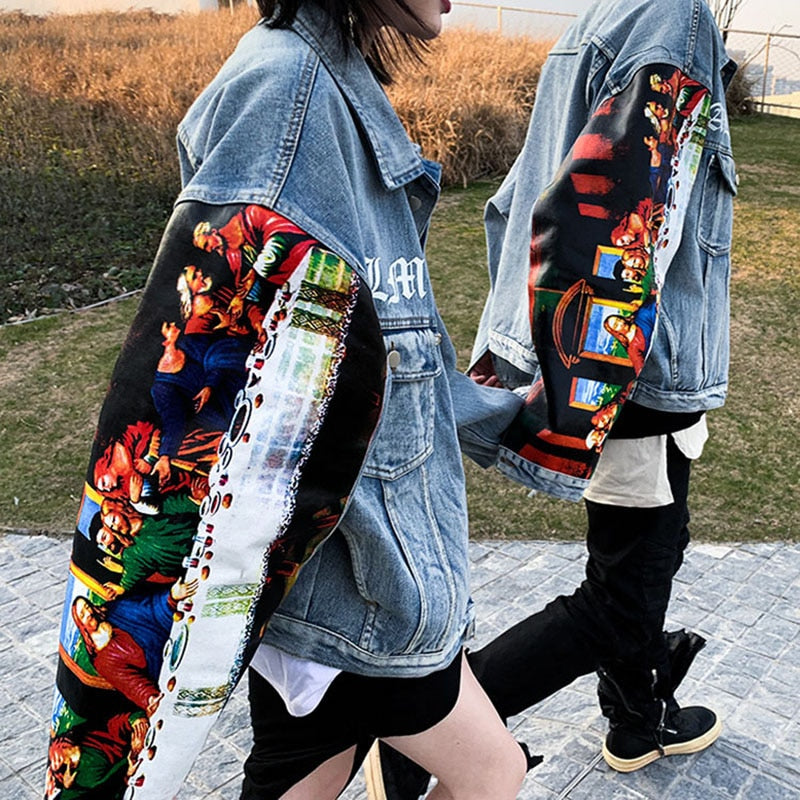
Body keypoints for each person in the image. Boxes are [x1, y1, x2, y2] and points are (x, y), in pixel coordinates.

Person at [48, 0, 539, 797]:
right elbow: (194, 391)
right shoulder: (288, 104)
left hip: (333, 581)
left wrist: (506, 412)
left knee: (309, 776)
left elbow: (381, 363)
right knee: (494, 773)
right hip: (357, 586)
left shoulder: (321, 91)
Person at [367, 0, 737, 795]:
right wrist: (588, 389)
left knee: (642, 562)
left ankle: (638, 718)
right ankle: (425, 734)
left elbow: (515, 203)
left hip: (612, 365)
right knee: (623, 594)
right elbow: (626, 220)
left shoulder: (609, 18)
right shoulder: (670, 20)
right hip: (633, 375)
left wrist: (526, 341)